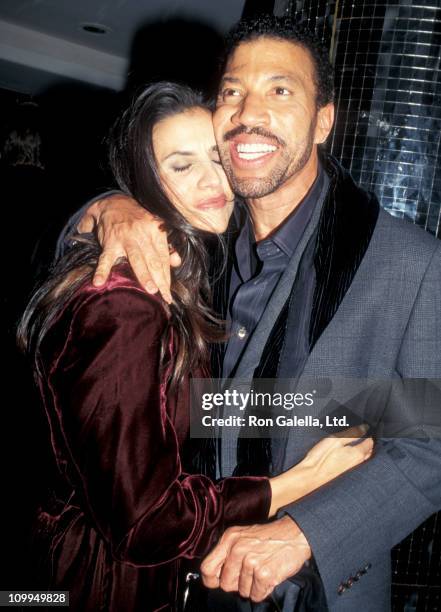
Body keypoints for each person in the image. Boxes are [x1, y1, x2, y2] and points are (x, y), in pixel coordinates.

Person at [57, 17, 441, 611]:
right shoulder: (193, 236)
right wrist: (107, 208)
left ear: (324, 122)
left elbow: (430, 443)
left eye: (280, 90)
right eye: (233, 91)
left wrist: (302, 530)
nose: (247, 111)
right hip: (179, 583)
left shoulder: (407, 261)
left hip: (318, 592)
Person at [18, 82, 373, 612]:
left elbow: (180, 408)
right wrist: (299, 482)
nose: (214, 182)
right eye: (182, 166)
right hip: (88, 587)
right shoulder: (127, 303)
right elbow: (146, 521)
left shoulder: (190, 265)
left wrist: (372, 406)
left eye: (215, 156)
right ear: (145, 182)